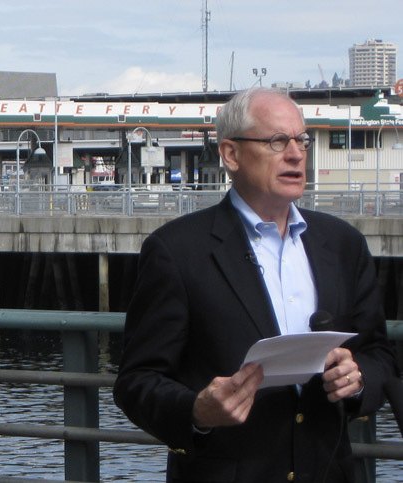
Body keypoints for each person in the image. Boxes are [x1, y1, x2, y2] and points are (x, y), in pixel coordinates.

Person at [113, 88, 398, 483]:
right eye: (277, 141)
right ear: (231, 154)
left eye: (302, 140)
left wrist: (359, 377)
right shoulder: (176, 251)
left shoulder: (343, 244)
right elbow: (136, 382)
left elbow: (379, 353)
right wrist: (196, 410)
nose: (296, 154)